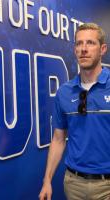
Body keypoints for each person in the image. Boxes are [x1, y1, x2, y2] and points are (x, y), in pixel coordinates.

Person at [39, 22, 110, 200]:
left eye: (90, 43)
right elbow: (58, 139)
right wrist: (47, 181)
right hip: (73, 184)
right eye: (79, 44)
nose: (83, 49)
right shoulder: (64, 92)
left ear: (102, 49)